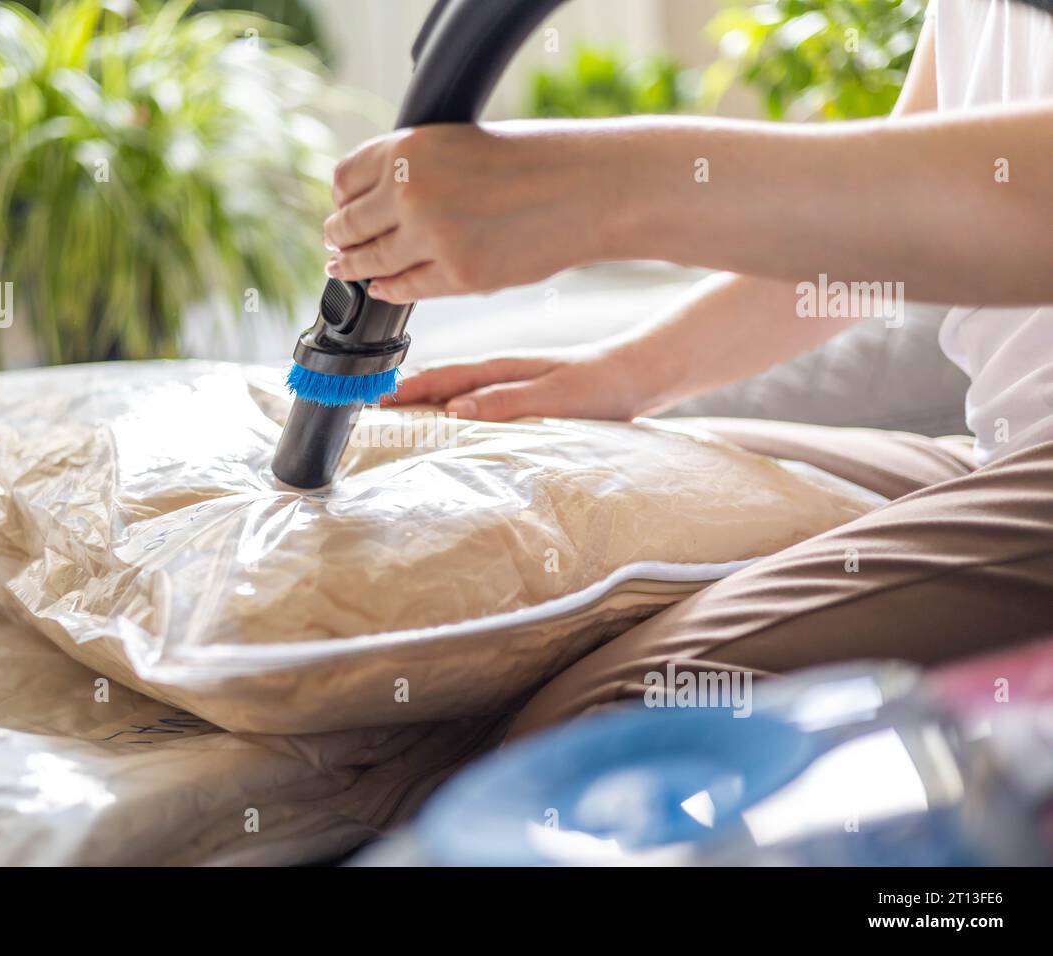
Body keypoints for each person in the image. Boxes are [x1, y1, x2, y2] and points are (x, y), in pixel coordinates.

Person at [320, 0, 1053, 739]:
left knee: (599, 732)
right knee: (543, 529)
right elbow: (890, 227)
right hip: (995, 450)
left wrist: (600, 190)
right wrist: (625, 371)